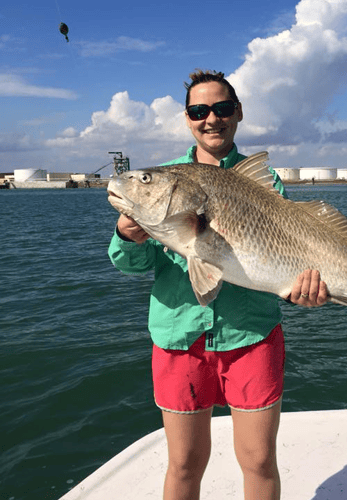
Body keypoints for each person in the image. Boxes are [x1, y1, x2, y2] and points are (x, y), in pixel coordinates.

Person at [108, 70, 328, 500]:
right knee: (185, 464)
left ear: (238, 113)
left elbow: (282, 262)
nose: (212, 118)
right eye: (199, 110)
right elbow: (130, 265)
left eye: (222, 108)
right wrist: (127, 236)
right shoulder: (168, 178)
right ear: (187, 118)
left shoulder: (265, 183)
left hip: (252, 336)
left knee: (260, 461)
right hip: (178, 338)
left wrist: (308, 293)